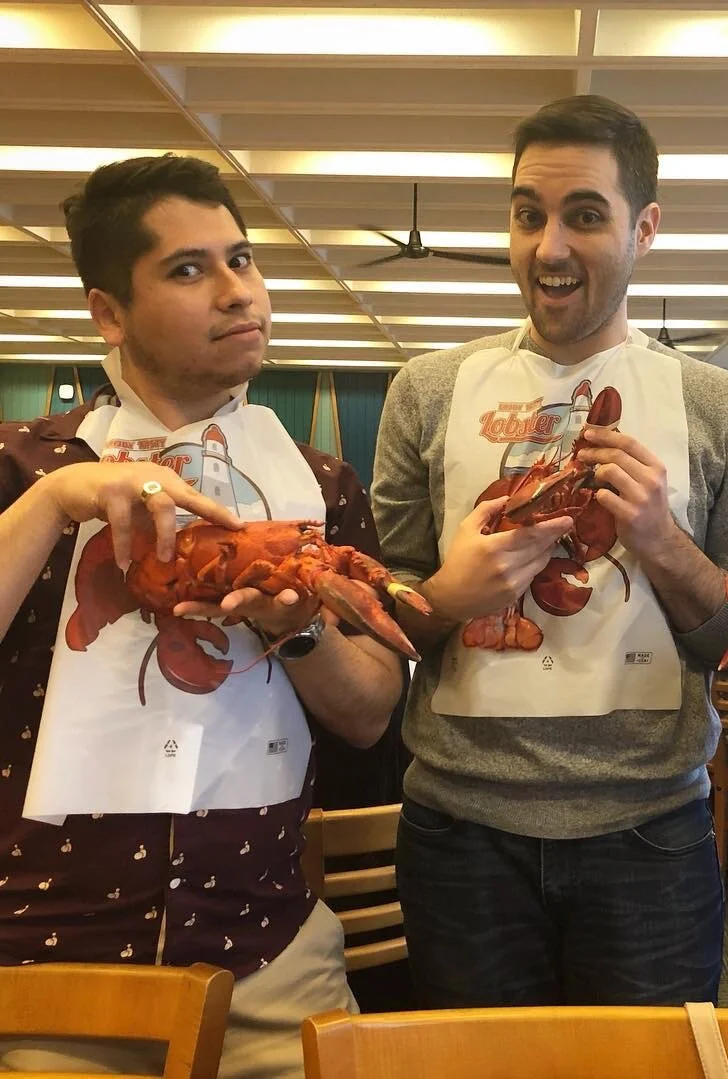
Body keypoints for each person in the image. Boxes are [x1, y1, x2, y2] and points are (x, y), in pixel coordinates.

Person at [371, 94, 728, 1007]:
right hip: (459, 829)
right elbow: (380, 609)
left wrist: (662, 542)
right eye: (529, 215)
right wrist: (448, 596)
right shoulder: (423, 391)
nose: (549, 247)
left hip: (652, 831)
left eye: (586, 216)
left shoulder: (722, 408)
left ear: (645, 228)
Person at [0, 155, 405, 1078]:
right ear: (109, 312)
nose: (237, 291)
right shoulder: (24, 467)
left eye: (242, 259)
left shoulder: (322, 486)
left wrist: (298, 629)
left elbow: (371, 712)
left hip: (269, 953)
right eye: (188, 269)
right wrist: (56, 501)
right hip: (47, 961)